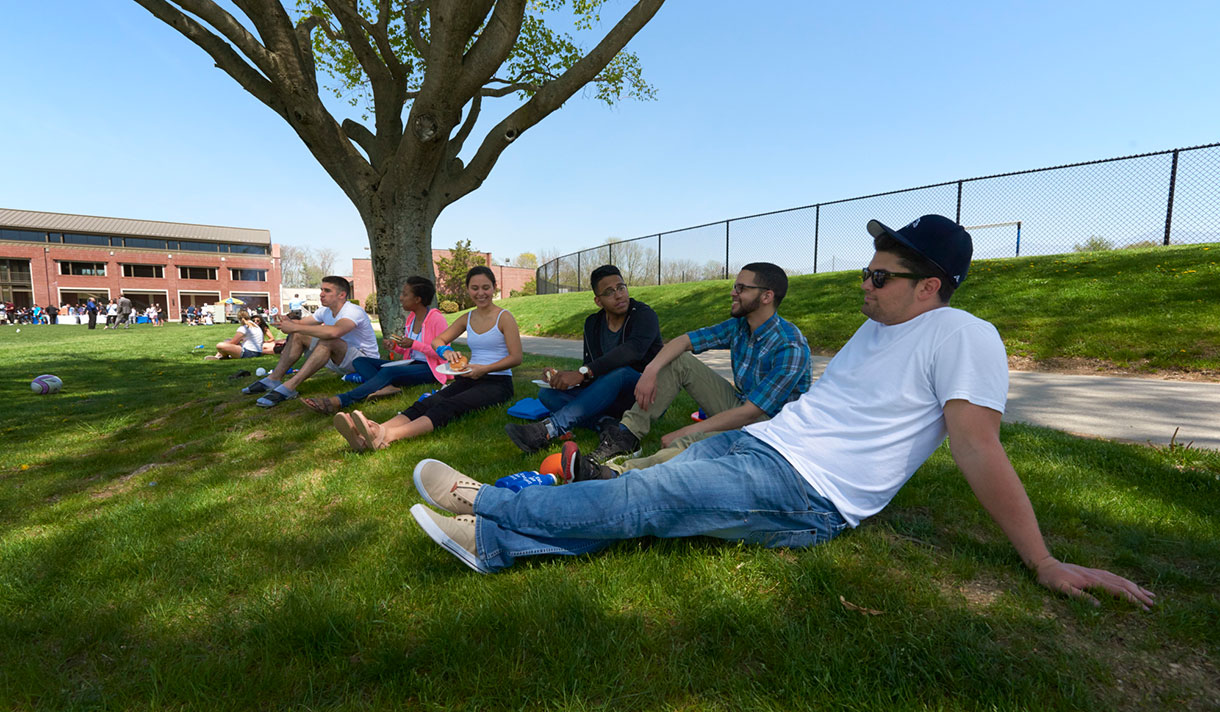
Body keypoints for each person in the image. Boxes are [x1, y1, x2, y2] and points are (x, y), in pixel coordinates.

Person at [405, 215, 1157, 615]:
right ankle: (500, 527)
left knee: (649, 497)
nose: (864, 283)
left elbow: (978, 448)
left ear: (930, 287)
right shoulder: (877, 327)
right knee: (652, 498)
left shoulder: (965, 336)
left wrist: (1042, 560)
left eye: (880, 275)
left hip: (809, 493)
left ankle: (492, 519)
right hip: (765, 447)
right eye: (868, 269)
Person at [586, 262, 812, 466]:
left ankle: (615, 473)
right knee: (679, 360)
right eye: (735, 286)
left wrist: (686, 431)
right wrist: (651, 370)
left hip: (771, 428)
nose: (733, 292)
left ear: (766, 297)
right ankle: (626, 436)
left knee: (692, 442)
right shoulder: (740, 326)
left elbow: (750, 414)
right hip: (742, 407)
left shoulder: (790, 346)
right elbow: (684, 341)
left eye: (741, 288)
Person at [332, 266, 522, 451]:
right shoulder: (468, 317)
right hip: (469, 375)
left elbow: (516, 358)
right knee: (430, 401)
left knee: (449, 405)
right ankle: (373, 430)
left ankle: (387, 436)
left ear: (494, 288)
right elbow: (438, 341)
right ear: (468, 290)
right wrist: (445, 352)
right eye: (475, 288)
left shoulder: (504, 317)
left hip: (497, 382)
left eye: (485, 287)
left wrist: (484, 369)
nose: (481, 293)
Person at [503, 264, 663, 453]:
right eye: (609, 292)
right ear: (598, 301)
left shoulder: (644, 315)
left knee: (621, 373)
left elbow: (632, 351)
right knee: (547, 395)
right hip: (608, 396)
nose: (619, 295)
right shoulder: (593, 324)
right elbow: (592, 372)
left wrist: (583, 372)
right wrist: (560, 377)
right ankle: (606, 423)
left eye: (621, 287)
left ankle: (548, 429)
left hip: (645, 395)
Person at [302, 276, 449, 414]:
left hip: (431, 368)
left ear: (417, 299)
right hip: (411, 363)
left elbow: (443, 353)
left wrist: (415, 344)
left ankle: (339, 401)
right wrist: (395, 347)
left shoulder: (436, 319)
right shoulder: (411, 318)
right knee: (359, 361)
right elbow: (409, 349)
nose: (401, 298)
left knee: (388, 372)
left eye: (405, 294)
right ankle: (387, 387)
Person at [241, 275, 379, 407]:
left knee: (328, 339)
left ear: (341, 295)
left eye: (327, 290)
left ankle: (290, 386)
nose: (321, 294)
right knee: (298, 334)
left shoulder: (353, 311)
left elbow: (335, 331)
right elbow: (301, 323)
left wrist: (294, 326)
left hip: (364, 362)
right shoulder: (325, 311)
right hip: (341, 358)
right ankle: (273, 379)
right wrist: (286, 321)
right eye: (321, 290)